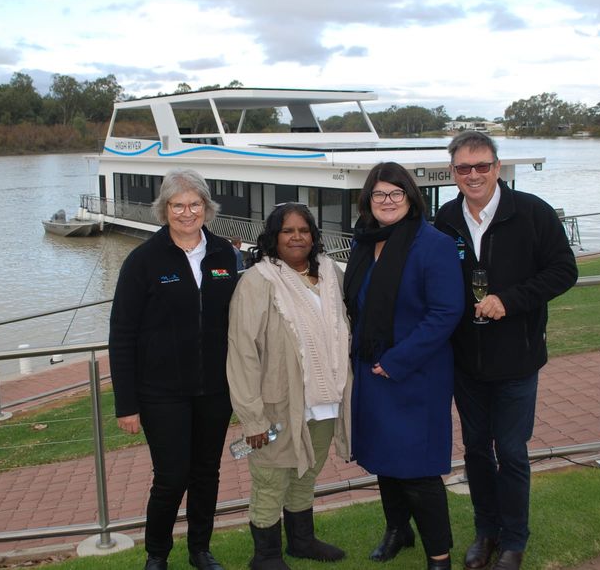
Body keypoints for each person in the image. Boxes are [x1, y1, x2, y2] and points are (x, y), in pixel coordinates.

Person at [434, 131, 578, 570]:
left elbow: (564, 271)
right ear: (453, 172)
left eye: (482, 166)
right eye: (463, 168)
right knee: (476, 450)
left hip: (517, 358)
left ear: (497, 168)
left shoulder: (532, 213)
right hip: (466, 361)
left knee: (512, 452)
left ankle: (514, 540)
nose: (473, 175)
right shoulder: (444, 220)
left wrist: (510, 300)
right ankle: (486, 532)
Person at [108, 169, 239, 570]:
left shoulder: (224, 254)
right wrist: (126, 404)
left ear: (207, 208)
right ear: (165, 209)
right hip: (161, 392)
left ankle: (200, 549)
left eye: (194, 204)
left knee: (207, 473)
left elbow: (241, 318)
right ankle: (157, 555)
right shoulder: (143, 260)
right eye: (178, 205)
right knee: (171, 477)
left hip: (215, 390)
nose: (187, 212)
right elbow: (122, 335)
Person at [345, 162, 464, 570]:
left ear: (411, 198)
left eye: (396, 193)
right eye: (379, 194)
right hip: (370, 371)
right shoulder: (364, 242)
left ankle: (439, 555)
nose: (388, 201)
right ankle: (398, 529)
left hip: (414, 375)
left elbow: (446, 311)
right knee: (382, 459)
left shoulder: (434, 244)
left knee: (418, 470)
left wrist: (396, 361)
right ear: (368, 201)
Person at [227, 202, 351, 570]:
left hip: (327, 399)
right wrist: (252, 417)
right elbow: (242, 352)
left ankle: (301, 540)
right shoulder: (258, 282)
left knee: (307, 471)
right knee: (271, 478)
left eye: (303, 230)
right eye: (287, 231)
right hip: (278, 404)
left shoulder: (331, 274)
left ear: (314, 236)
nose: (296, 237)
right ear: (273, 237)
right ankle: (265, 555)